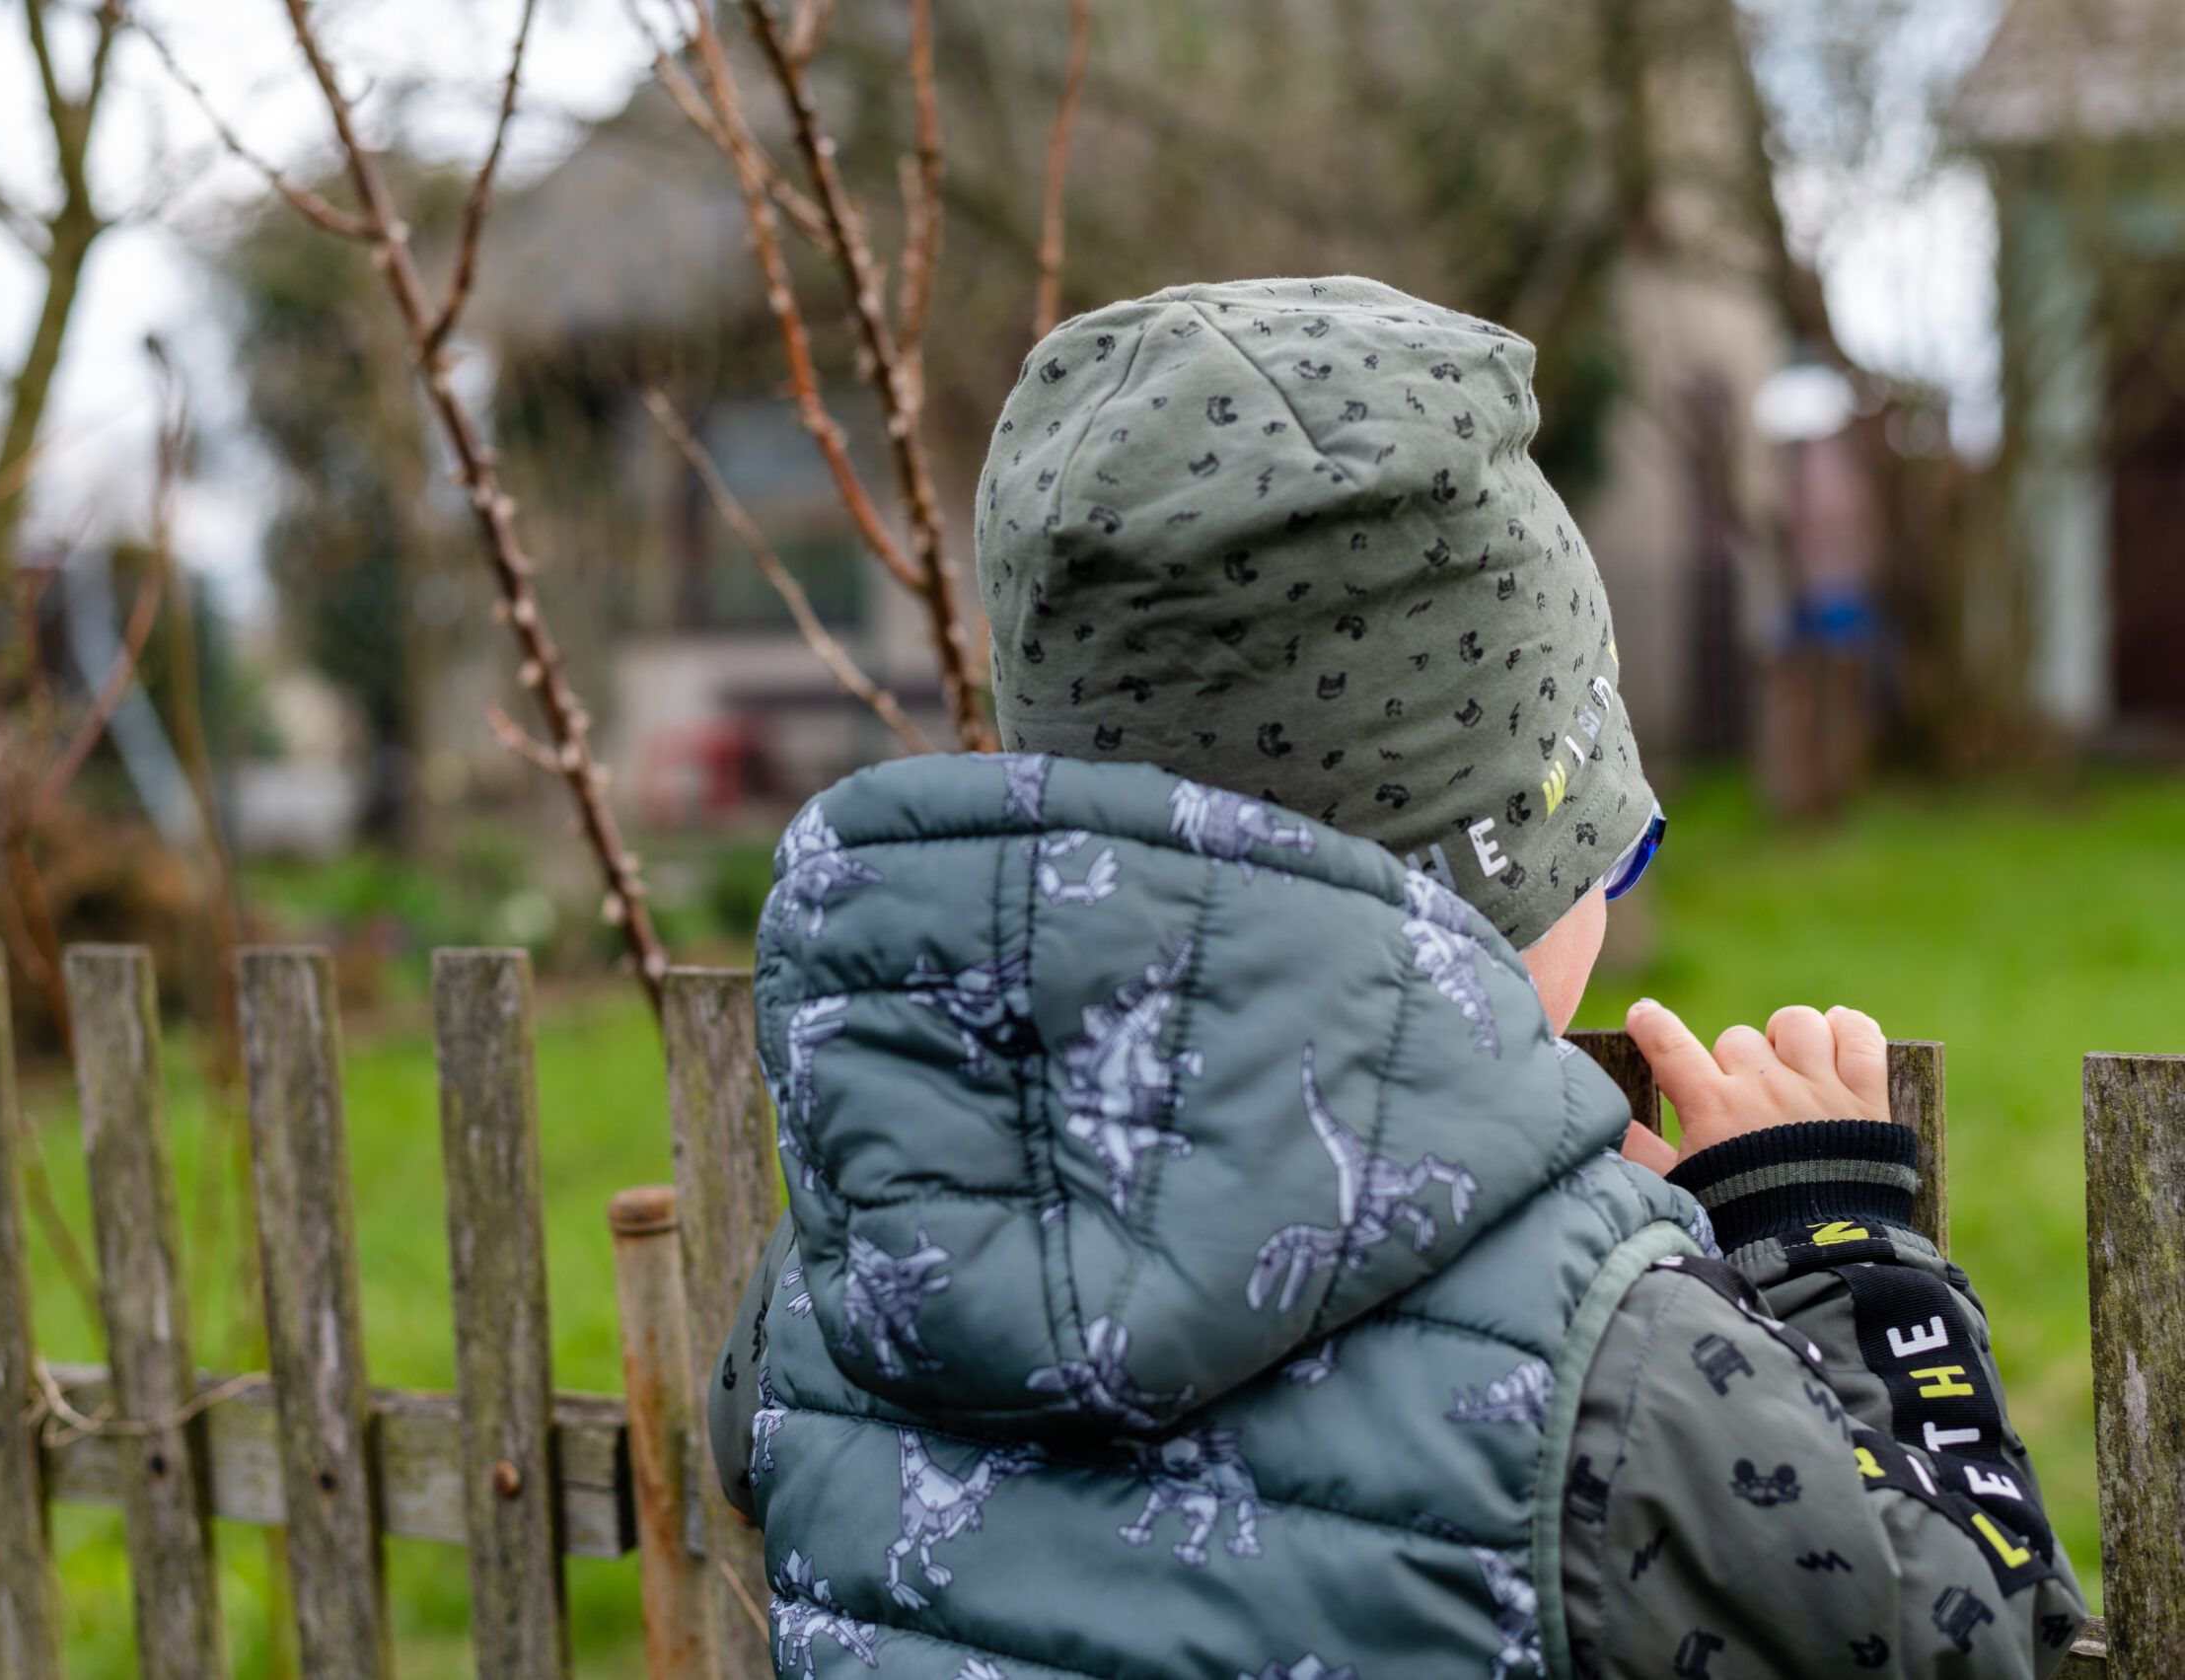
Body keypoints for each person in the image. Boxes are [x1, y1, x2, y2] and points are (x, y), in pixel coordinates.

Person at [711, 276, 2084, 1678]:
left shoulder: (833, 1291)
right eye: (1606, 851)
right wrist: (1837, 1259)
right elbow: (1973, 1642)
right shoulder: (1619, 1386)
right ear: (1494, 879)